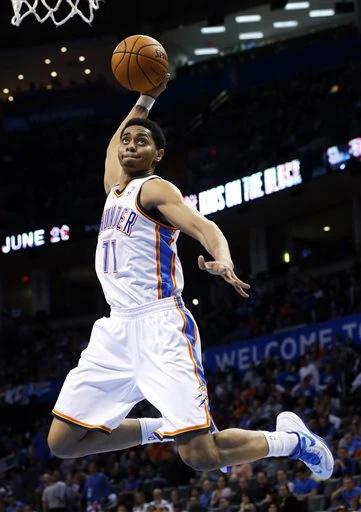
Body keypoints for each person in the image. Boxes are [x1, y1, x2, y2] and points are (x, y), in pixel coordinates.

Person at [47, 75, 333, 479]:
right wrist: (146, 98)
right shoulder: (114, 190)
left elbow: (204, 226)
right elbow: (113, 145)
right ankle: (163, 429)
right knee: (62, 442)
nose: (130, 145)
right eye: (127, 140)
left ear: (157, 155)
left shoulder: (154, 190)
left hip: (160, 324)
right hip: (115, 330)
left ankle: (293, 441)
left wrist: (224, 259)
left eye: (141, 141)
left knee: (200, 455)